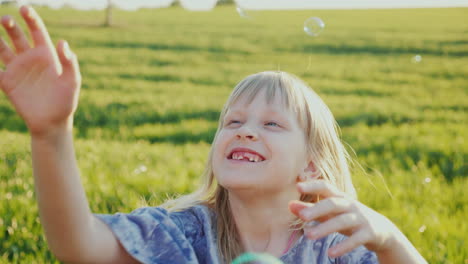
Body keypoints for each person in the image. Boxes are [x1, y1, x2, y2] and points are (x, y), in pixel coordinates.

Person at [0, 6, 427, 264]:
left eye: (271, 124)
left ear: (311, 164)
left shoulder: (336, 247)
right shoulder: (184, 234)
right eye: (233, 122)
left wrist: (389, 237)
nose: (246, 132)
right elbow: (79, 248)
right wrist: (51, 134)